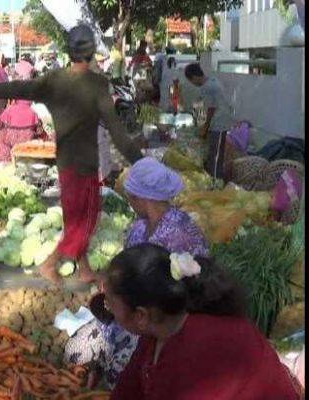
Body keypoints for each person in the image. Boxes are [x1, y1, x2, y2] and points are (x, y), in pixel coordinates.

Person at [0, 24, 143, 285]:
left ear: (69, 51)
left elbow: (16, 88)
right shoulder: (97, 84)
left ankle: (84, 270)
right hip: (85, 164)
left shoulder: (54, 80)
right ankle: (50, 264)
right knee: (86, 221)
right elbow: (117, 132)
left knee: (74, 219)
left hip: (65, 162)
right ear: (92, 51)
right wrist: (141, 160)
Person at [65, 158, 209, 387]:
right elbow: (127, 269)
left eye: (131, 197)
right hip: (128, 312)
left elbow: (182, 296)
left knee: (121, 374)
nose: (129, 202)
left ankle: (112, 371)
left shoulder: (182, 234)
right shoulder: (140, 226)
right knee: (75, 351)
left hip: (159, 321)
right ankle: (98, 368)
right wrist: (111, 288)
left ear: (143, 198)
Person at [104, 244, 303, 399]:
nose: (107, 307)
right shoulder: (159, 329)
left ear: (141, 316)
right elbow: (128, 390)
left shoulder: (198, 352)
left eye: (109, 303)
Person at [184, 63, 235, 179]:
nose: (193, 84)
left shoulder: (208, 87)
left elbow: (210, 109)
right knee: (212, 153)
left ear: (194, 77)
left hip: (219, 123)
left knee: (216, 156)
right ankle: (212, 177)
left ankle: (216, 181)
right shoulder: (211, 81)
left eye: (191, 81)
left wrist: (204, 128)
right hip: (216, 123)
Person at [0, 66, 43, 162]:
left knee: (2, 132)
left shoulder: (10, 109)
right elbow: (39, 129)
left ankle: (4, 156)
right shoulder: (33, 112)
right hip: (27, 141)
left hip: (11, 140)